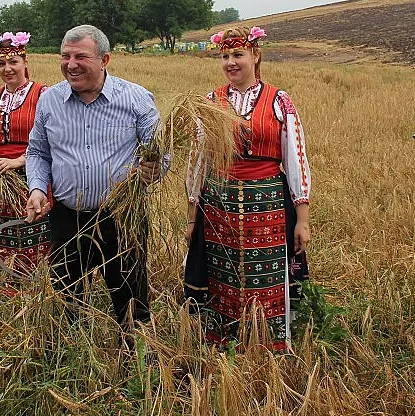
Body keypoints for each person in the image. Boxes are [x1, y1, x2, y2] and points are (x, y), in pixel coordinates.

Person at [25, 25, 162, 333]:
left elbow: (159, 155)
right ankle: (73, 368)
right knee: (66, 301)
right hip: (66, 218)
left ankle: (136, 365)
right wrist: (36, 189)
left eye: (80, 56)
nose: (71, 64)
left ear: (105, 60)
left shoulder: (136, 99)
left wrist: (154, 169)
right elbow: (37, 153)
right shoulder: (50, 101)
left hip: (121, 218)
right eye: (65, 56)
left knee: (131, 302)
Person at [184, 25, 311, 352]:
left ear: (255, 56)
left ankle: (267, 345)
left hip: (267, 202)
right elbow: (198, 160)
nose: (230, 63)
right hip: (218, 205)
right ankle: (222, 343)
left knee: (267, 277)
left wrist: (303, 218)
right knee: (220, 274)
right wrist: (191, 217)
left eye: (237, 54)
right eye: (225, 56)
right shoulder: (211, 102)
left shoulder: (279, 101)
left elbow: (296, 159)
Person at [0, 31, 51, 289]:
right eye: (1, 63)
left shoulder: (43, 95)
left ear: (25, 61)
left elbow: (55, 141)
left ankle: (38, 289)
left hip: (34, 178)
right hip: (0, 181)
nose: (7, 69)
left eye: (13, 62)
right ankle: (5, 285)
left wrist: (20, 161)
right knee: (3, 232)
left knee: (33, 231)